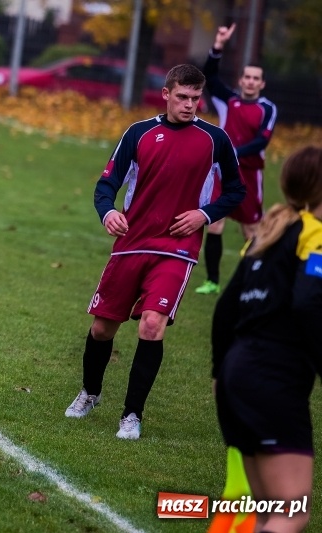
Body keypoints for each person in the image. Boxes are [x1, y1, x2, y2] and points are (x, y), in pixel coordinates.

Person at [63, 64, 245, 440]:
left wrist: (204, 214)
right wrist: (108, 212)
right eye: (182, 97)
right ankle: (90, 393)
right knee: (102, 329)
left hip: (177, 248)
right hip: (131, 244)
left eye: (196, 98)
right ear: (166, 94)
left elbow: (236, 190)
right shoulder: (139, 133)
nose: (189, 104)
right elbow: (106, 184)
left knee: (151, 325)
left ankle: (132, 414)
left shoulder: (215, 139)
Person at [212, 145, 322, 532]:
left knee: (266, 512)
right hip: (273, 378)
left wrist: (218, 373)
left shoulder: (266, 233)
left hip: (236, 376)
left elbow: (225, 310)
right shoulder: (314, 235)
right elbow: (308, 302)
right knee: (292, 513)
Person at [196, 23, 278, 295]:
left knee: (251, 230)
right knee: (215, 223)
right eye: (247, 77)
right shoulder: (228, 101)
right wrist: (218, 45)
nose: (251, 81)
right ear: (241, 80)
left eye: (256, 78)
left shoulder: (267, 109)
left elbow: (262, 141)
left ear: (262, 84)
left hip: (250, 175)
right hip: (223, 172)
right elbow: (209, 75)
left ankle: (253, 282)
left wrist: (234, 152)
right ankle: (212, 282)